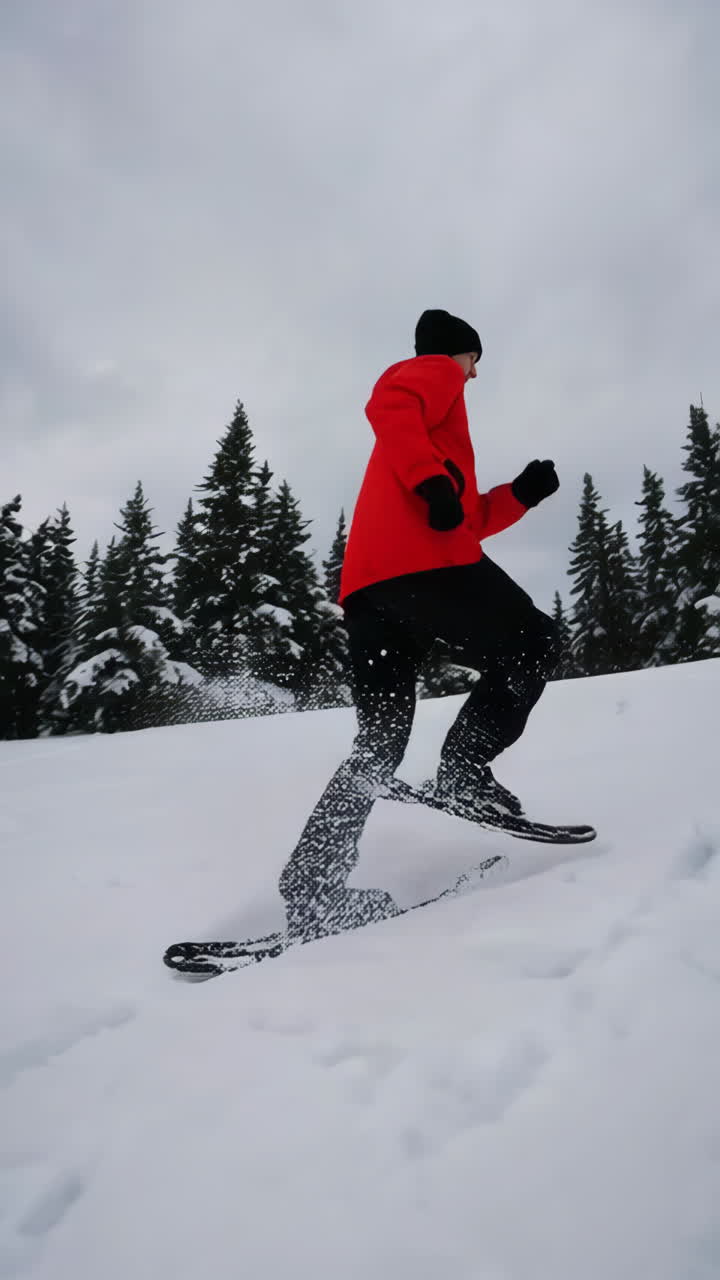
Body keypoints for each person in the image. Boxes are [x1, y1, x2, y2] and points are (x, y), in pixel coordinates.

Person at [279, 308, 561, 939]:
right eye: (474, 362)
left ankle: (313, 888)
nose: (473, 375)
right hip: (424, 570)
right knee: (537, 641)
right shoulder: (432, 373)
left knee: (378, 744)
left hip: (372, 590)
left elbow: (464, 518)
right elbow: (390, 403)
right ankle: (465, 770)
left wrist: (520, 493)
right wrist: (433, 482)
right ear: (459, 354)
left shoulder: (432, 436)